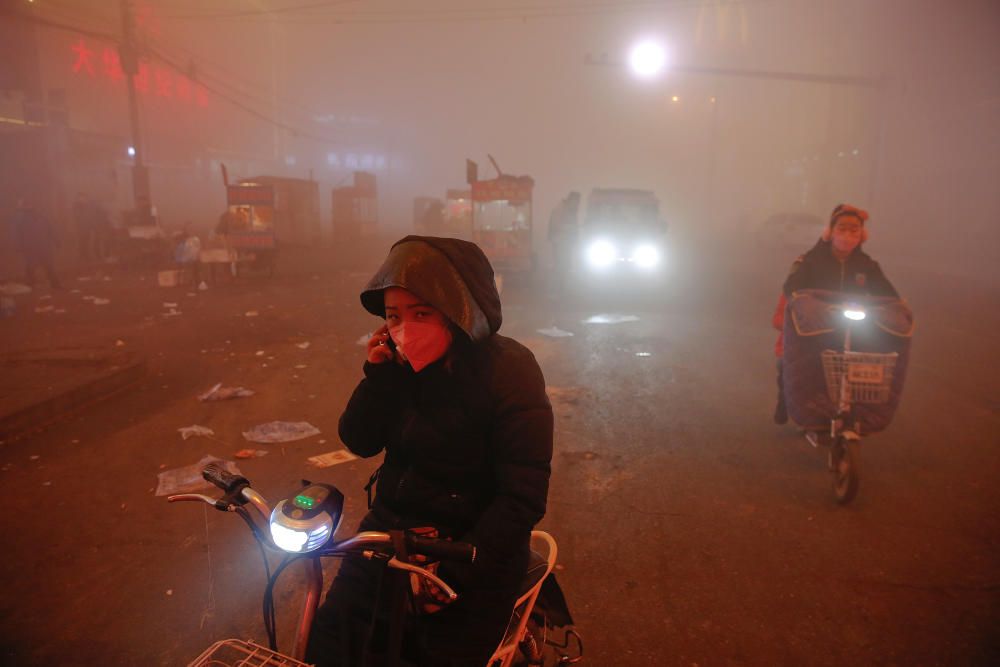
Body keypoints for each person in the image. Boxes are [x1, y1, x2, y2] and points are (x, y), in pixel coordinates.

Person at [306, 236, 554, 667]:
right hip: (387, 537)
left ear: (461, 312)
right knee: (329, 643)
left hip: (468, 551)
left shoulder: (510, 370)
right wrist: (378, 376)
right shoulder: (400, 367)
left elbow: (522, 496)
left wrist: (455, 572)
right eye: (393, 316)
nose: (405, 329)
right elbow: (359, 440)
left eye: (422, 313)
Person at [772, 203, 899, 424]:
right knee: (788, 363)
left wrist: (895, 308)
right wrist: (807, 304)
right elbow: (791, 288)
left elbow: (888, 294)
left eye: (854, 230)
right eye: (842, 229)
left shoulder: (867, 265)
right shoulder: (810, 261)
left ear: (862, 235)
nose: (848, 236)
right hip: (814, 325)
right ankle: (786, 398)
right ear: (830, 231)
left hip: (852, 325)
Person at [12, 197, 62, 290]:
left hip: (43, 246)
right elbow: (17, 233)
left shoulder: (41, 215)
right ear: (24, 206)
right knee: (31, 267)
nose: (29, 207)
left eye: (30, 204)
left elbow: (50, 228)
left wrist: (56, 240)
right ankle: (30, 285)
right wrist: (19, 246)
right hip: (30, 247)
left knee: (49, 266)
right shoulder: (20, 218)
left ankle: (55, 284)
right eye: (27, 205)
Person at [547, 192, 580, 278]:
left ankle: (562, 285)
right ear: (572, 200)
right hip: (560, 242)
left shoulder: (570, 210)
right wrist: (571, 229)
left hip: (565, 242)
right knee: (561, 265)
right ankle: (560, 287)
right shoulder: (560, 209)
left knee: (565, 265)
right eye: (577, 202)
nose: (577, 204)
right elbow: (556, 225)